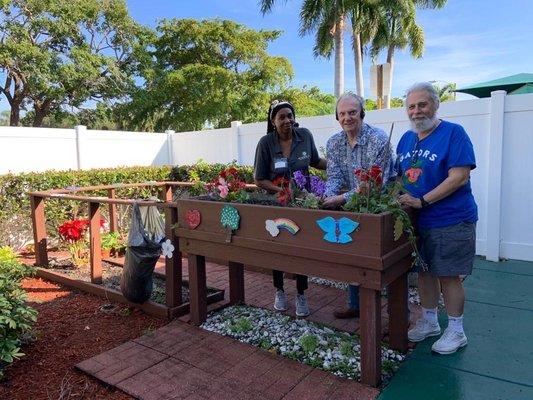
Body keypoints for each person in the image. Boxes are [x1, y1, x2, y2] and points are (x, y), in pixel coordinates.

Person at [397, 82, 478, 355]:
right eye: (411, 106)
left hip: (451, 219)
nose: (416, 111)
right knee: (425, 273)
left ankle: (456, 331)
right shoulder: (407, 139)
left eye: (422, 104)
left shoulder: (454, 133)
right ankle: (430, 322)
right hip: (418, 223)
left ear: (435, 104)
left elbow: (459, 176)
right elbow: (400, 177)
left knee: (449, 276)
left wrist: (422, 201)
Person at [323, 92, 395, 319]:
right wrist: (328, 198)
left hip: (379, 205)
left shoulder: (378, 138)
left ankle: (392, 314)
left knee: (382, 261)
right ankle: (355, 305)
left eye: (352, 112)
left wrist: (341, 199)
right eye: (342, 113)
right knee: (352, 254)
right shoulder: (334, 143)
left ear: (362, 113)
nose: (347, 118)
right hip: (353, 205)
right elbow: (333, 177)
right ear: (337, 117)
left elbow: (376, 185)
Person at [254, 100, 327, 317]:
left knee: (301, 248)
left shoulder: (304, 136)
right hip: (276, 205)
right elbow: (259, 179)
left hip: (302, 205)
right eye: (281, 117)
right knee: (278, 248)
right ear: (273, 121)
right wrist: (281, 191)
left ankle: (301, 293)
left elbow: (315, 161)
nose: (287, 120)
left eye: (289, 116)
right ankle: (279, 290)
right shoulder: (266, 143)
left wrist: (341, 165)